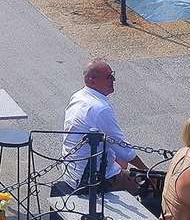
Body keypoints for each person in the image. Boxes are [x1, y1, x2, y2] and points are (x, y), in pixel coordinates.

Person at [61, 60, 149, 193]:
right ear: (92, 81)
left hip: (71, 172)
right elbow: (123, 149)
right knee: (148, 188)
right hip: (90, 180)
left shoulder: (78, 96)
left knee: (121, 162)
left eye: (112, 75)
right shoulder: (100, 109)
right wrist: (147, 172)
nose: (113, 79)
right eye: (109, 77)